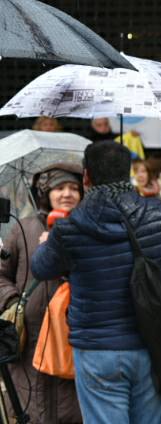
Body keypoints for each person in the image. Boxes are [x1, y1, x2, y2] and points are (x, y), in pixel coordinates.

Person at [30, 141, 161, 424]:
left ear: (86, 177)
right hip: (153, 344)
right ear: (127, 173)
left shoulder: (70, 226)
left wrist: (47, 242)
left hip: (96, 350)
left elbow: (40, 268)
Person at [0, 163, 83, 423]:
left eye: (74, 188)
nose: (67, 193)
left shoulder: (88, 229)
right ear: (46, 192)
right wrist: (13, 300)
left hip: (72, 335)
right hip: (31, 338)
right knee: (32, 406)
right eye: (59, 188)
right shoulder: (22, 229)